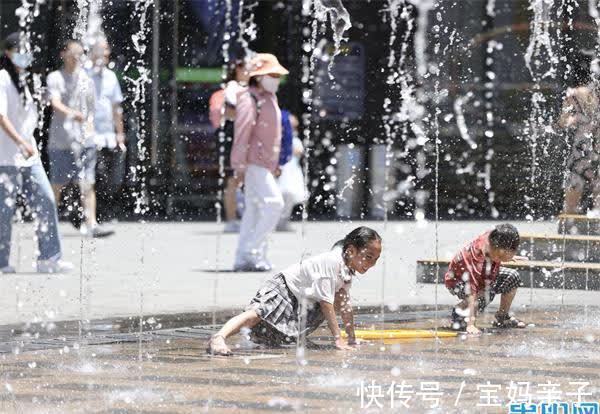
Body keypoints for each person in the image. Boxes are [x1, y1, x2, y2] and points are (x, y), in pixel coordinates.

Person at [207, 226, 382, 355]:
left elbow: (344, 304)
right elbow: (326, 304)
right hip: (284, 288)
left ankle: (261, 339)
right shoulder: (332, 262)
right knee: (256, 314)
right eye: (368, 257)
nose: (371, 264)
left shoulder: (347, 269)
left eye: (375, 259)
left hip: (299, 300)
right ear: (351, 250)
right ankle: (219, 337)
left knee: (279, 338)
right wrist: (338, 339)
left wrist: (351, 338)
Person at [0, 32, 73, 273]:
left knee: (46, 199)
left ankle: (49, 257)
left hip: (28, 156)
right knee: (4, 210)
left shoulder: (29, 79)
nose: (26, 56)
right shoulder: (2, 78)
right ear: (8, 53)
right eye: (21, 51)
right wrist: (20, 141)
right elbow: (1, 116)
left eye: (28, 51)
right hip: (5, 156)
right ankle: (1, 262)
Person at [47, 39, 113, 238]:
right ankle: (50, 223)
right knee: (57, 183)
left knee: (87, 182)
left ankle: (91, 223)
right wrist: (73, 114)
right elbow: (54, 102)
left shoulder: (86, 79)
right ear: (63, 54)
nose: (77, 58)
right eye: (73, 54)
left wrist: (91, 127)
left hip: (85, 141)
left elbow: (92, 108)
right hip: (61, 140)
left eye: (79, 54)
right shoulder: (55, 77)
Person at [230, 53, 288, 271]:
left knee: (253, 211)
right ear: (259, 77)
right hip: (254, 162)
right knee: (275, 204)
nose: (276, 78)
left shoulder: (270, 98)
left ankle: (242, 258)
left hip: (264, 163)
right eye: (271, 74)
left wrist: (276, 163)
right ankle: (252, 252)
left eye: (277, 75)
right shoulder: (249, 97)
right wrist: (239, 165)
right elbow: (242, 132)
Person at [445, 223, 527, 335]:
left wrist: (507, 258)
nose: (514, 253)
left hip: (485, 273)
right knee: (487, 293)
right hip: (458, 281)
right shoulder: (477, 262)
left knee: (512, 276)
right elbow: (471, 293)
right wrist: (471, 325)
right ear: (501, 252)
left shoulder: (493, 238)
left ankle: (502, 317)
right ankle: (459, 312)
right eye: (512, 252)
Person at [208, 57, 249, 233]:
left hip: (246, 136)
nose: (248, 71)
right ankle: (232, 219)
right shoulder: (229, 90)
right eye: (244, 68)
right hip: (233, 137)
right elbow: (226, 115)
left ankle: (246, 218)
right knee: (233, 180)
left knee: (248, 179)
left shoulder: (253, 90)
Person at [87, 39, 126, 223]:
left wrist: (120, 133)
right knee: (96, 174)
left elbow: (116, 107)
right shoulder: (85, 74)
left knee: (109, 177)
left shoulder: (111, 76)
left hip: (108, 135)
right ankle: (91, 214)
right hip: (90, 135)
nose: (103, 54)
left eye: (105, 50)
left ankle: (103, 212)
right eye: (99, 50)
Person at [559, 58, 600, 218]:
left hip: (581, 150)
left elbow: (563, 122)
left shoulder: (574, 95)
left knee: (574, 185)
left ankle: (568, 227)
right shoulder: (594, 94)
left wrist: (575, 119)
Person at [276, 111, 306, 232]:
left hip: (292, 172)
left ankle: (283, 220)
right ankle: (275, 220)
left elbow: (299, 151)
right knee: (279, 195)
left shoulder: (295, 139)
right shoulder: (278, 137)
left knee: (290, 194)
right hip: (282, 171)